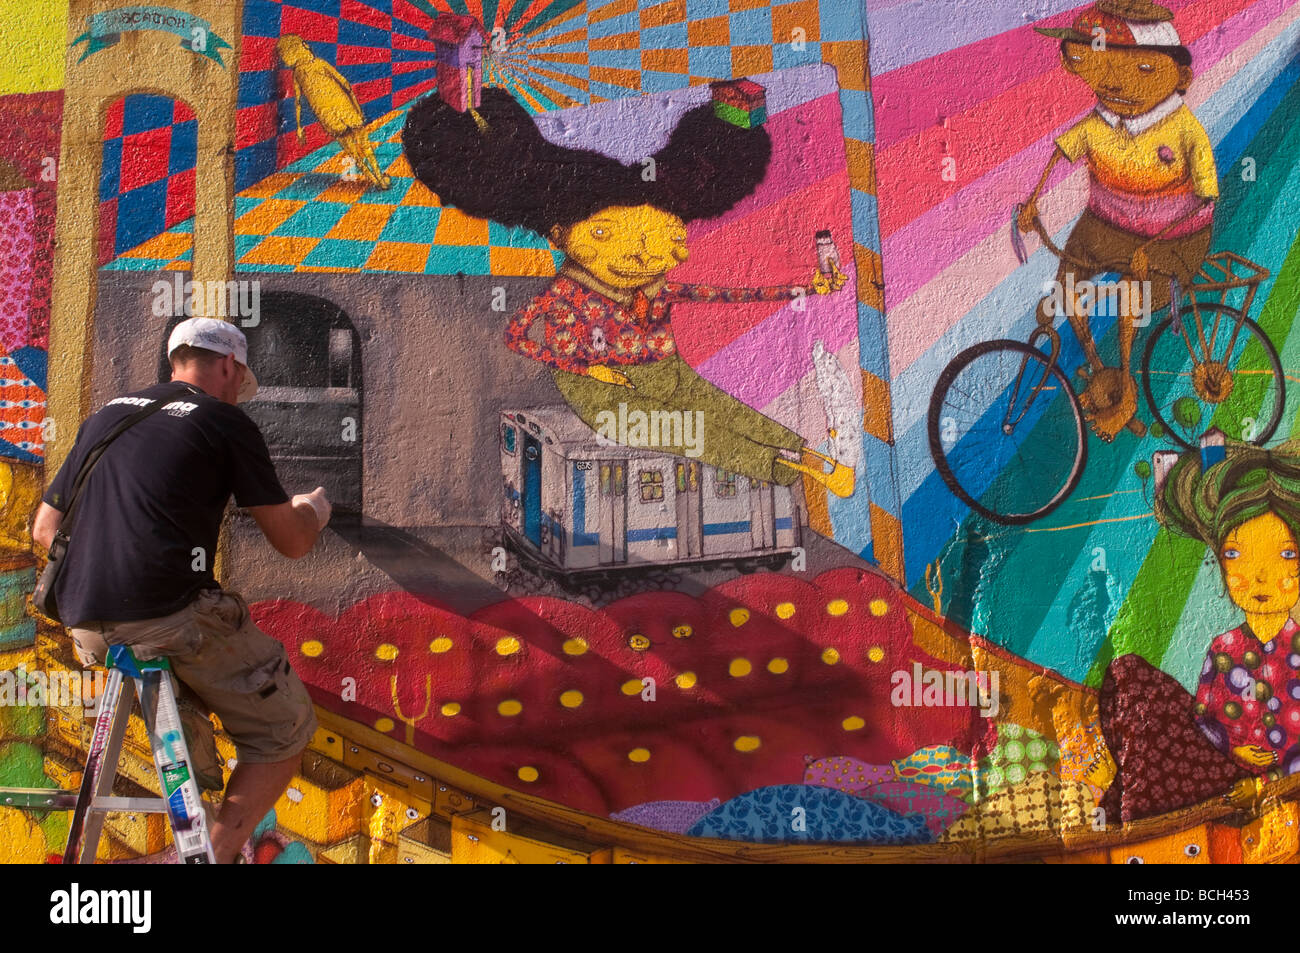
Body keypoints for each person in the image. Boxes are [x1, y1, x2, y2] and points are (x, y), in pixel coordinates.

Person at [403, 85, 856, 498]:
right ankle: (787, 464)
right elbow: (520, 335)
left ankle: (800, 452)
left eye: (658, 239)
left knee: (724, 411)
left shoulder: (654, 286)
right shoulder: (568, 296)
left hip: (665, 370)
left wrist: (805, 287)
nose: (638, 257)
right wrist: (585, 368)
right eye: (602, 234)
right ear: (561, 236)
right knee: (690, 431)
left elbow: (721, 295)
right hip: (604, 392)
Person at [32, 317, 332, 863]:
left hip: (87, 626)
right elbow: (289, 541)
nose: (234, 393)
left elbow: (44, 530)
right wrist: (311, 511)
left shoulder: (105, 418)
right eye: (236, 382)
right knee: (284, 728)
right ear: (227, 366)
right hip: (166, 618)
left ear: (176, 361)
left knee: (181, 667)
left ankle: (190, 741)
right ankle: (214, 856)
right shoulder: (223, 421)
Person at [1020, 0, 1217, 441]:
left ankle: (1127, 378)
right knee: (1067, 285)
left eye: (1142, 70)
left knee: (1132, 291)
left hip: (1174, 237)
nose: (1115, 84)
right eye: (1098, 69)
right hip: (1105, 226)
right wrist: (1032, 202)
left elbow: (1205, 199)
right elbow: (1061, 152)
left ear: (1180, 75)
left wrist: (1157, 244)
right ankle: (1098, 370)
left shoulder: (1185, 130)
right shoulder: (1098, 122)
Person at [1096, 441, 1300, 822]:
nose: (1259, 575)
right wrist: (1233, 749)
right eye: (1235, 554)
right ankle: (1131, 814)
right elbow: (1204, 718)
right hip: (1221, 769)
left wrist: (1263, 784)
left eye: (1285, 554)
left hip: (1277, 785)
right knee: (1130, 677)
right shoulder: (1224, 647)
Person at [277, 33, 391, 190]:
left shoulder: (298, 73)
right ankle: (378, 176)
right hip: (344, 108)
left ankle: (373, 178)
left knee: (352, 150)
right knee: (365, 145)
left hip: (328, 115)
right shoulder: (319, 64)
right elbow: (345, 84)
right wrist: (357, 108)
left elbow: (298, 101)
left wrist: (298, 127)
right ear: (303, 47)